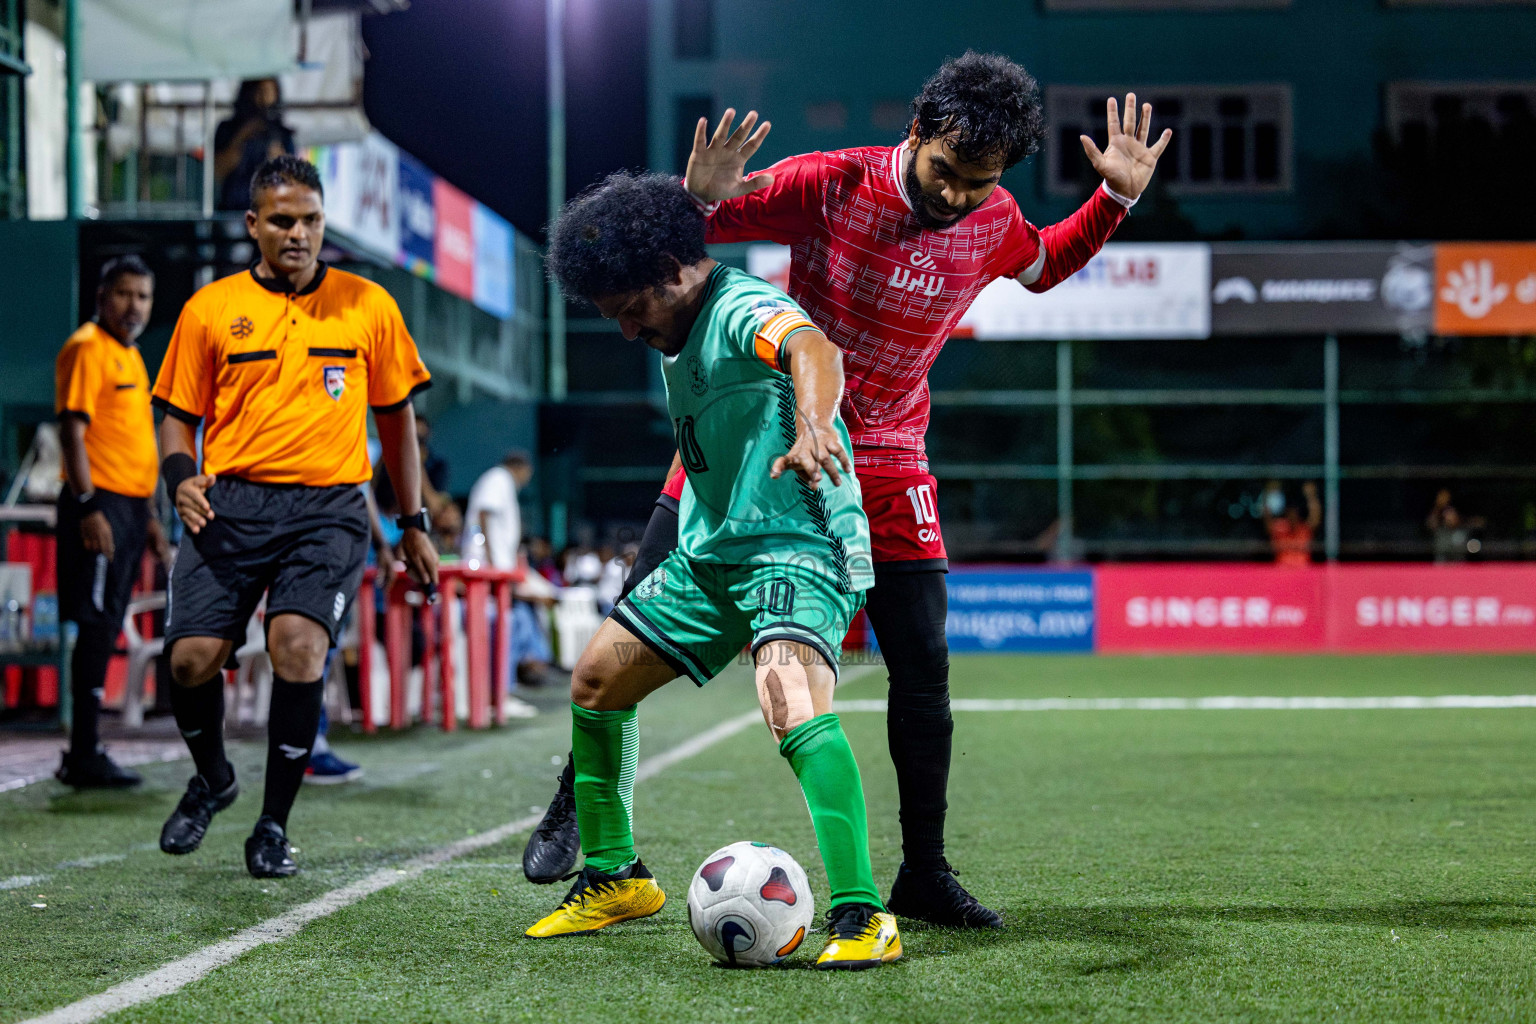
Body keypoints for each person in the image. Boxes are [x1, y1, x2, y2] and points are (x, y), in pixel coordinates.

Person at [524, 52, 1170, 928]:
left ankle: (922, 874)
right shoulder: (833, 183)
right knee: (632, 617)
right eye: (946, 172)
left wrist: (1114, 201)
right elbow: (686, 240)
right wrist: (697, 192)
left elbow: (1044, 264)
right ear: (916, 133)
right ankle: (581, 808)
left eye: (978, 184)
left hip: (889, 454)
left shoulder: (995, 218)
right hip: (763, 441)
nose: (955, 198)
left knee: (924, 666)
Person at [526, 171, 898, 969]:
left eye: (630, 309)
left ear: (668, 269)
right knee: (596, 682)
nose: (628, 330)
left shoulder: (737, 308)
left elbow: (813, 347)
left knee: (789, 700)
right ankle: (615, 877)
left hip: (795, 547)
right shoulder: (675, 322)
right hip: (714, 554)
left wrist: (813, 422)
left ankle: (864, 917)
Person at [152, 155, 438, 879]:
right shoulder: (209, 310)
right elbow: (176, 417)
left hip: (329, 509)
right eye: (282, 220)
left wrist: (416, 525)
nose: (298, 233)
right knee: (190, 661)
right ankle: (214, 779)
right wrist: (181, 478)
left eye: (311, 220)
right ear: (254, 225)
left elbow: (398, 423)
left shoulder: (368, 305)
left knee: (299, 649)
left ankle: (272, 825)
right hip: (232, 503)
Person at [52, 256, 170, 787]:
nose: (134, 306)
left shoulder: (133, 356)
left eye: (142, 296)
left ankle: (87, 749)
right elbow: (72, 434)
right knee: (96, 625)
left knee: (107, 622)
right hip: (96, 506)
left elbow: (131, 443)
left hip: (128, 509)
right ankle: (83, 751)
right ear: (103, 297)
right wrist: (88, 505)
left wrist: (146, 518)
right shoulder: (86, 348)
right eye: (124, 294)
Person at [462, 450, 540, 714]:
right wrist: (494, 560)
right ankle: (498, 694)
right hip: (486, 573)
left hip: (495, 572)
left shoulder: (500, 481)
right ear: (520, 467)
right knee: (505, 624)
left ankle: (502, 691)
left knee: (515, 621)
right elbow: (484, 513)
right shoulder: (499, 478)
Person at [214, 79, 295, 212]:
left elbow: (292, 181)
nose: (262, 98)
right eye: (258, 91)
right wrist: (242, 137)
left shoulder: (282, 133)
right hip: (233, 209)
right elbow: (218, 171)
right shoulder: (228, 129)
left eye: (268, 92)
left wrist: (279, 157)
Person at [1263, 481, 1321, 567]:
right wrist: (1269, 493)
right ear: (1286, 515)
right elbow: (1267, 519)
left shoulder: (1303, 529)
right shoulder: (1280, 528)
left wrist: (1311, 496)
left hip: (1303, 569)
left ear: (1298, 515)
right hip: (1282, 570)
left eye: (1294, 514)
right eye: (1289, 514)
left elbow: (1315, 518)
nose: (1292, 517)